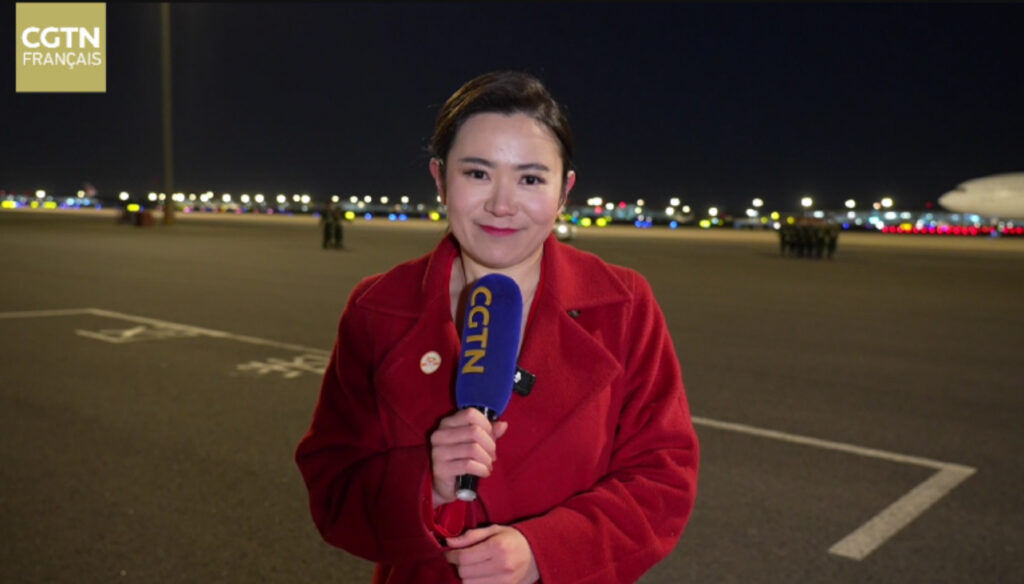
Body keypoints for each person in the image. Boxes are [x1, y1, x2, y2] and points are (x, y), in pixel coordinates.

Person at [295, 70, 699, 583]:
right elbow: (333, 487)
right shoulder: (378, 309)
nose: (502, 204)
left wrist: (544, 552)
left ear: (564, 190)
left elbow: (664, 478)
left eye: (530, 179)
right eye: (477, 173)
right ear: (440, 179)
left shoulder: (623, 306)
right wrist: (427, 485)